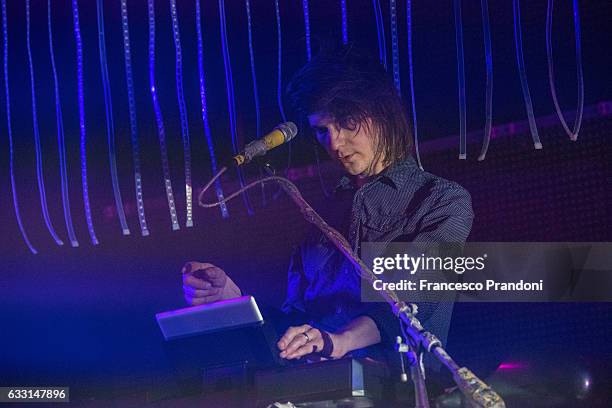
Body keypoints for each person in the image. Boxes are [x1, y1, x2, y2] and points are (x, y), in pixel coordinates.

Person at [181, 46, 474, 365]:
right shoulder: (321, 216)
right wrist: (233, 299)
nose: (334, 143)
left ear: (383, 112)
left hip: (402, 389)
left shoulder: (441, 200)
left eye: (347, 123)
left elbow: (413, 299)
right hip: (322, 389)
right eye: (322, 131)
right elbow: (294, 324)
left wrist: (339, 341)